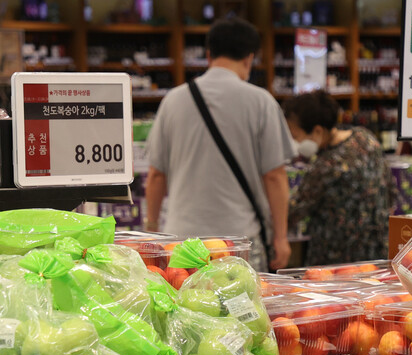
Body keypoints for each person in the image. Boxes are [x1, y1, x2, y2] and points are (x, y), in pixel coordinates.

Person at [145, 17, 295, 272]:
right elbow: (274, 176)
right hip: (236, 243)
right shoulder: (261, 102)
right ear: (249, 58)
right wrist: (281, 238)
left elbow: (157, 175)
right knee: (239, 310)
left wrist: (151, 232)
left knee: (183, 310)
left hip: (181, 244)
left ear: (208, 55)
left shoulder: (173, 101)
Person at [282, 90, 397, 266]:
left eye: (296, 136)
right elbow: (390, 189)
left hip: (337, 262)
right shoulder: (365, 137)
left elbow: (294, 211)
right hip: (377, 253)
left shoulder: (326, 165)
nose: (295, 143)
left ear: (318, 130)